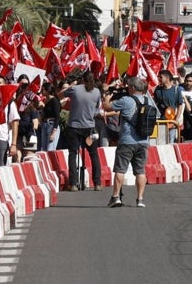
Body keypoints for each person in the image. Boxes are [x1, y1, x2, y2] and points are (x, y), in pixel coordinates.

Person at [104, 75, 153, 208]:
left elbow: (107, 107)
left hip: (127, 140)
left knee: (120, 170)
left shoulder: (126, 100)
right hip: (143, 141)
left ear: (132, 88)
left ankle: (115, 197)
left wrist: (108, 95)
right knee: (140, 171)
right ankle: (140, 199)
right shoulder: (148, 100)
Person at [63, 70, 103, 191]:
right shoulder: (97, 92)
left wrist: (72, 84)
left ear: (82, 79)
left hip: (74, 127)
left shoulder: (75, 89)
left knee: (73, 154)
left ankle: (73, 183)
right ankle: (97, 183)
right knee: (94, 154)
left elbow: (62, 93)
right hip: (89, 128)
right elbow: (97, 109)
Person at [151, 69, 185, 144]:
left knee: (170, 142)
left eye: (161, 77)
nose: (159, 79)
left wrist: (176, 120)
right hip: (161, 122)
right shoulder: (158, 90)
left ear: (167, 78)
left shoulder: (176, 90)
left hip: (171, 122)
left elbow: (180, 105)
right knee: (160, 142)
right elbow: (155, 105)